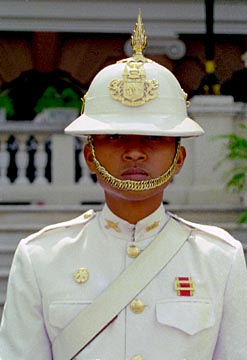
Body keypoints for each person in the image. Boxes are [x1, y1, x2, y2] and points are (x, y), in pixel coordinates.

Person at [1, 12, 247, 360]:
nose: (134, 151)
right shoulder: (41, 258)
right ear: (89, 156)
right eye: (115, 137)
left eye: (153, 137)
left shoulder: (219, 258)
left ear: (179, 159)